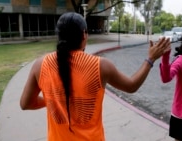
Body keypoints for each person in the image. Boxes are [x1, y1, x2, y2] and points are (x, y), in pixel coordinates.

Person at [20, 12, 171, 141]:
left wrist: (54, 100)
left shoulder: (40, 65)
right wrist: (150, 60)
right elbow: (131, 86)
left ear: (58, 36)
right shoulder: (100, 66)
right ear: (84, 35)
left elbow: (25, 103)